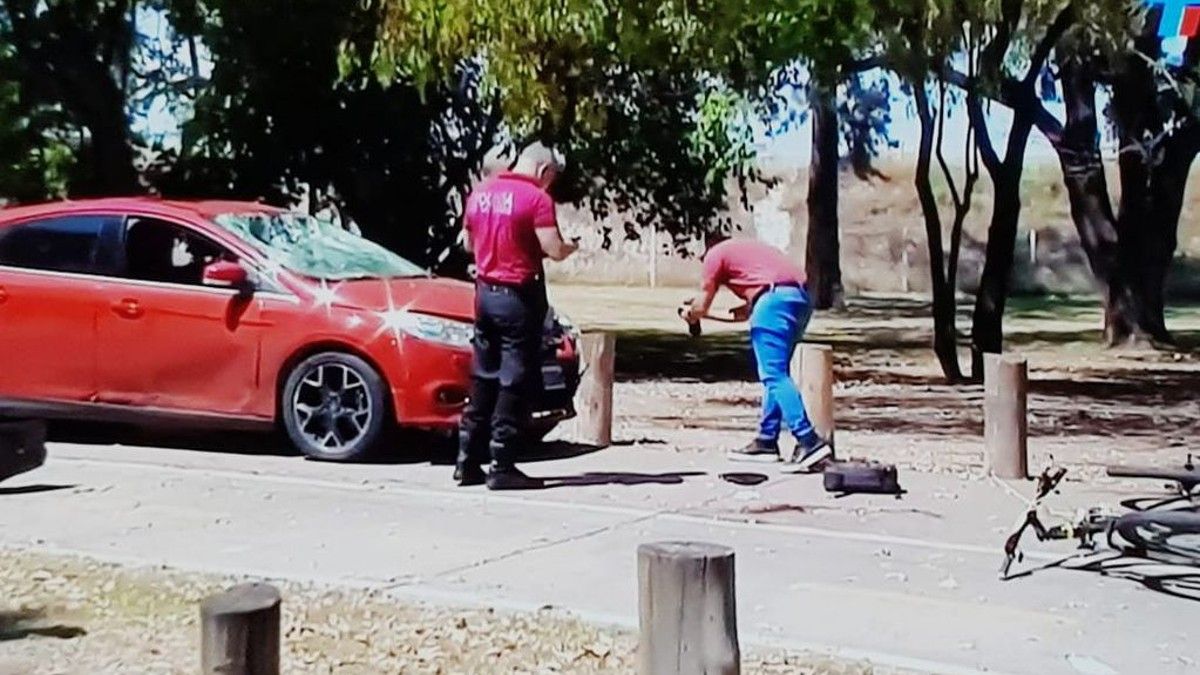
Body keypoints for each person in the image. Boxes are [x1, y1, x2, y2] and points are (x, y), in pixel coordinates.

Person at [456, 142, 578, 490]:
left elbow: (467, 242)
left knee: (483, 373)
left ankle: (466, 459)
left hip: (484, 295)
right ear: (543, 170)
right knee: (514, 379)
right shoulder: (536, 199)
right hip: (517, 297)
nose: (551, 184)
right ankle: (502, 463)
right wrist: (571, 247)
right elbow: (552, 248)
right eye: (551, 176)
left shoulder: (480, 193)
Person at [681, 234, 833, 470]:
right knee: (777, 373)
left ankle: (808, 440)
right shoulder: (752, 255)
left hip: (773, 301)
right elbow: (743, 314)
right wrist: (706, 312)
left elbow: (701, 306)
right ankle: (766, 440)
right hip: (799, 298)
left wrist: (691, 313)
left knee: (773, 375)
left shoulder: (714, 255)